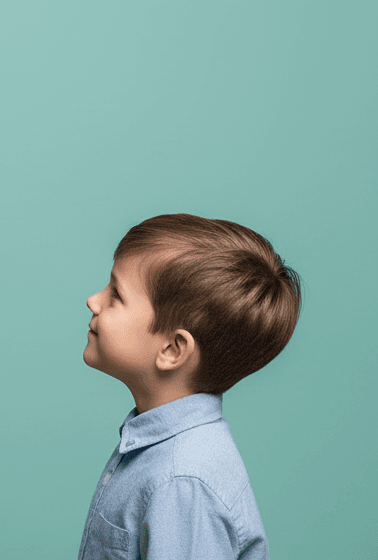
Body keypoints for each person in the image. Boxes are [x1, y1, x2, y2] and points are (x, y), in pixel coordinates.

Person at [78, 213, 301, 560]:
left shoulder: (182, 482)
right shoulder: (164, 455)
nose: (94, 299)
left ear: (172, 349)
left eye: (116, 295)